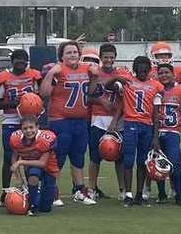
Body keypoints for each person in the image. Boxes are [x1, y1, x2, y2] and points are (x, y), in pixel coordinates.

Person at [41, 41, 99, 206]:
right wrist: (51, 73)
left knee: (78, 156)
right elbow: (44, 93)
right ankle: (52, 190)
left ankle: (79, 190)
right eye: (68, 52)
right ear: (61, 56)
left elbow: (91, 92)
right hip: (61, 119)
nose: (72, 55)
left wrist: (94, 77)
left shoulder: (85, 69)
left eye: (74, 52)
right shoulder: (58, 70)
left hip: (80, 120)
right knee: (58, 156)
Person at [107, 56, 162, 207]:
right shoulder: (127, 82)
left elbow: (156, 114)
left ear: (149, 70)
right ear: (135, 70)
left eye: (145, 70)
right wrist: (117, 78)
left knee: (143, 161)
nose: (143, 72)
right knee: (128, 159)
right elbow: (108, 86)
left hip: (147, 125)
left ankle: (139, 193)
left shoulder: (156, 85)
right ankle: (128, 194)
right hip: (131, 123)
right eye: (140, 70)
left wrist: (155, 136)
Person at [0, 49, 42, 206]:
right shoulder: (4, 77)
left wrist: (33, 104)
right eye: (17, 59)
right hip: (11, 120)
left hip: (30, 122)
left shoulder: (34, 76)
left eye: (24, 59)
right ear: (12, 61)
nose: (21, 62)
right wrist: (14, 103)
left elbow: (42, 96)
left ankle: (31, 191)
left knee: (30, 156)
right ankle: (5, 191)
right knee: (9, 157)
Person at [86, 44, 130, 200]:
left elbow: (123, 100)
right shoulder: (94, 73)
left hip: (116, 121)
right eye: (106, 57)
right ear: (101, 58)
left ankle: (123, 189)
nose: (109, 60)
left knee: (120, 157)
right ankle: (91, 189)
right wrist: (100, 101)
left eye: (112, 57)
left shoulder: (122, 74)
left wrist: (115, 120)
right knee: (95, 157)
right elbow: (88, 96)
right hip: (97, 119)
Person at [154, 63, 181, 205]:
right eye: (161, 73)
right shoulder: (155, 90)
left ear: (173, 75)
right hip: (157, 132)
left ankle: (178, 194)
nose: (164, 75)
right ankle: (162, 193)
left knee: (175, 164)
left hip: (172, 133)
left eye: (167, 73)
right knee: (159, 164)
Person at [9, 115, 59, 215]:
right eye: (25, 128)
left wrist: (21, 162)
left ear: (37, 127)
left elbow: (42, 163)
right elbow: (14, 157)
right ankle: (33, 205)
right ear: (21, 129)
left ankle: (39, 195)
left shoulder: (45, 139)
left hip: (49, 169)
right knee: (33, 174)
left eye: (31, 127)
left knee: (45, 208)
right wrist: (19, 178)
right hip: (32, 168)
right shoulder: (16, 139)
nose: (28, 131)